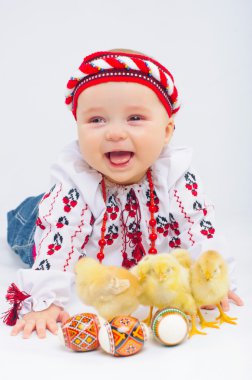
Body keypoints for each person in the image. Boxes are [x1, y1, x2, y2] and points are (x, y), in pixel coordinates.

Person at [4, 48, 243, 339]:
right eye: (96, 121)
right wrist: (45, 300)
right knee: (36, 228)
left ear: (167, 131)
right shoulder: (77, 182)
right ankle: (23, 217)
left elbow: (199, 226)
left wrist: (210, 282)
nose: (114, 133)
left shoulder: (176, 175)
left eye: (134, 118)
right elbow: (62, 238)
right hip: (38, 223)